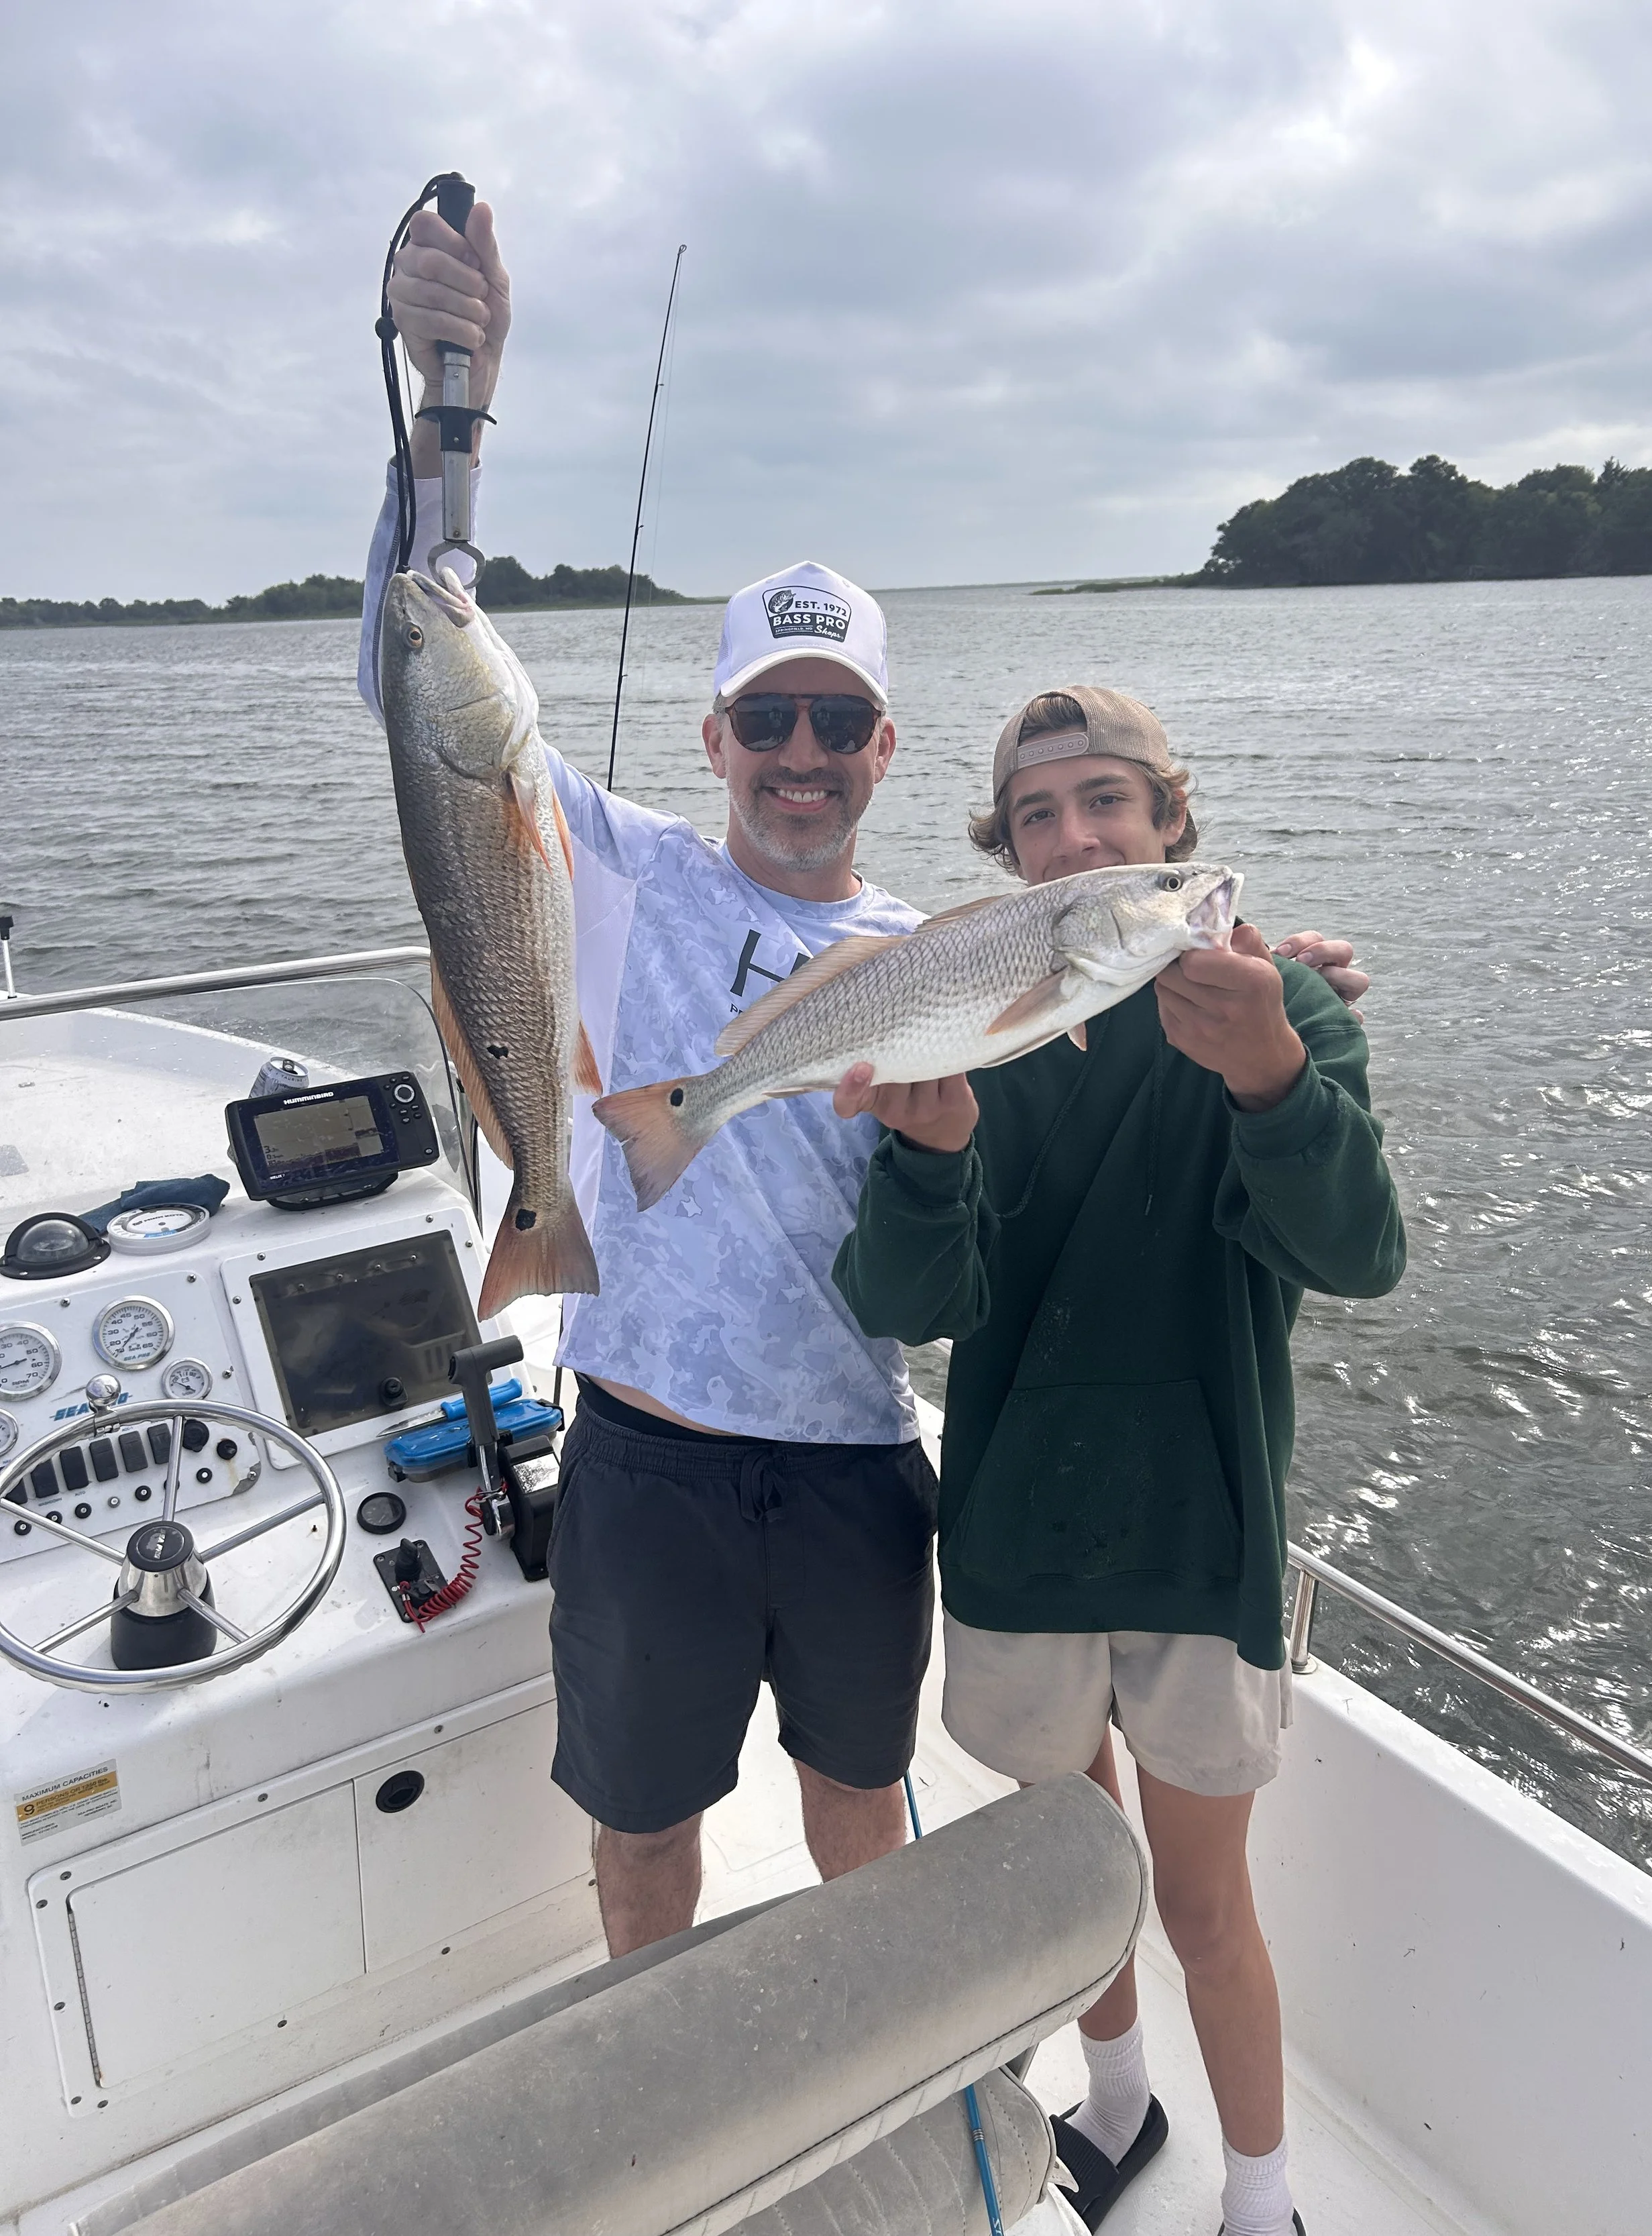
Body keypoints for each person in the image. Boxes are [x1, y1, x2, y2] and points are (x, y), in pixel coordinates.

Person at [358, 202, 1372, 1966]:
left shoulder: (945, 947)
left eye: (838, 722)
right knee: (642, 1830)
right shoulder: (619, 871)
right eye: (770, 718)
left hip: (848, 1458)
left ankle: (885, 2087)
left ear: (885, 748)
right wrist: (447, 415)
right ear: (717, 740)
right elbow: (423, 698)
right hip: (650, 1455)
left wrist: (1288, 986)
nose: (802, 755)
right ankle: (661, 2073)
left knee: (859, 1815)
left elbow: (1102, 1033)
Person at [831, 686, 1405, 2236]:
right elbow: (898, 1306)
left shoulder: (1284, 1005)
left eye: (1106, 804)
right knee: (1071, 1881)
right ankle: (1117, 2105)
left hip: (1197, 1535)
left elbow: (1359, 1255)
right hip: (1016, 1535)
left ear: (1168, 829)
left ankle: (1266, 2198)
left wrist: (1275, 1075)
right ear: (1011, 863)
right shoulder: (972, 1030)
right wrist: (926, 1155)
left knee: (1205, 1899)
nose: (1075, 832)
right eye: (1037, 816)